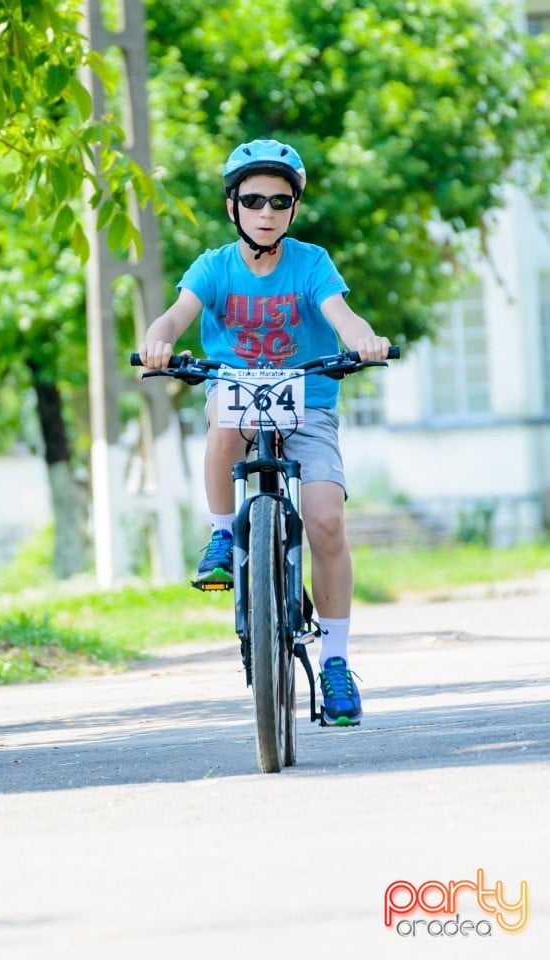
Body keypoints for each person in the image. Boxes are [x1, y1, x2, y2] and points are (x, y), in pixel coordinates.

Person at [138, 138, 390, 726]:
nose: (267, 211)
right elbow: (174, 316)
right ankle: (223, 536)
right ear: (233, 207)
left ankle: (334, 663)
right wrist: (159, 342)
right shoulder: (213, 267)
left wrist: (363, 342)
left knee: (327, 520)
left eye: (280, 200)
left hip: (309, 401)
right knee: (224, 425)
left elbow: (344, 317)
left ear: (294, 208)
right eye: (253, 199)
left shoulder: (312, 263)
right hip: (239, 398)